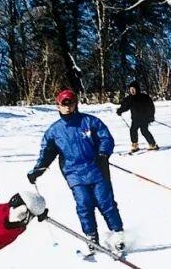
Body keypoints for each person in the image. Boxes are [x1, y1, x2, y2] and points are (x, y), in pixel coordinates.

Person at [28, 89, 125, 255]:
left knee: (105, 202)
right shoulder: (54, 131)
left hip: (97, 169)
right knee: (84, 204)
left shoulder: (89, 122)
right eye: (63, 104)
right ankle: (91, 237)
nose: (67, 107)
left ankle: (118, 235)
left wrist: (103, 154)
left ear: (75, 104)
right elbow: (47, 153)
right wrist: (37, 171)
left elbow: (106, 138)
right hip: (74, 173)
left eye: (70, 103)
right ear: (58, 106)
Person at [116, 81, 158, 153]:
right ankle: (135, 145)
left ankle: (153, 144)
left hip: (144, 118)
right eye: (131, 89)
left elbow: (151, 107)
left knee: (144, 131)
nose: (132, 91)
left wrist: (151, 116)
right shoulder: (130, 98)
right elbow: (125, 106)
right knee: (133, 130)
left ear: (137, 89)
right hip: (135, 119)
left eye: (133, 89)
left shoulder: (144, 97)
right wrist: (120, 110)